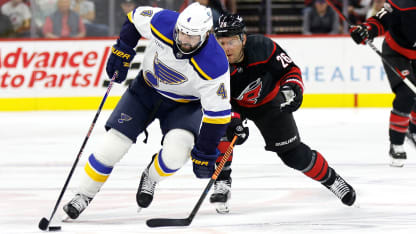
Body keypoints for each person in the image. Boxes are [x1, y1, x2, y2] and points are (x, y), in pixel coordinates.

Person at [63, 2, 231, 219]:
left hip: (185, 106)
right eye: (181, 34)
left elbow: (218, 115)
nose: (184, 41)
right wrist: (123, 49)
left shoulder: (215, 64)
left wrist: (206, 152)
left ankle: (150, 177)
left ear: (207, 34)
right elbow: (134, 18)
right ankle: (83, 195)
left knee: (174, 157)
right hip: (144, 92)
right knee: (111, 147)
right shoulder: (164, 22)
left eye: (192, 37)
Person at [210, 14, 356, 214]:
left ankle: (332, 180)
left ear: (243, 39)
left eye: (232, 41)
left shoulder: (263, 47)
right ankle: (222, 182)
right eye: (221, 42)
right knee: (221, 131)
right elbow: (213, 98)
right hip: (231, 104)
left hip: (268, 103)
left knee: (293, 155)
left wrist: (292, 89)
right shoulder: (210, 60)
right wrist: (234, 120)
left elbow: (290, 71)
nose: (226, 48)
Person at [350, 0, 416, 167]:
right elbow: (381, 19)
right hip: (397, 52)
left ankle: (413, 130)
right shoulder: (404, 2)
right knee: (407, 93)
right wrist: (367, 30)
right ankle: (396, 144)